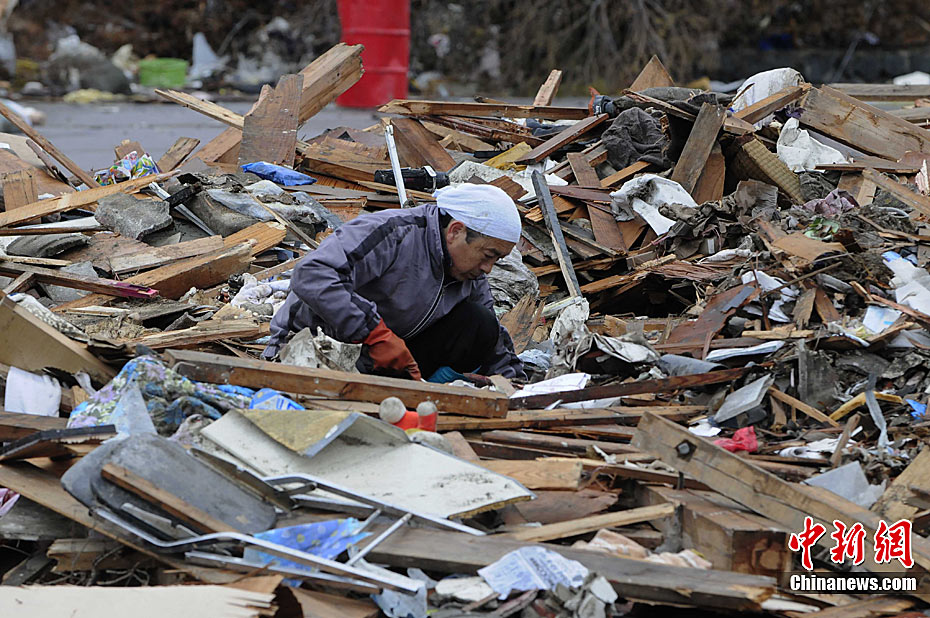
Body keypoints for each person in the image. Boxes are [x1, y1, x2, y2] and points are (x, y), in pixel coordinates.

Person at [263, 184, 526, 381]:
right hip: (318, 346)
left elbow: (493, 339)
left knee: (479, 321)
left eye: (497, 260)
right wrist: (373, 333)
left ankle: (419, 392)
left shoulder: (468, 274)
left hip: (386, 360)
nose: (488, 268)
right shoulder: (394, 232)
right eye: (488, 255)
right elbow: (312, 273)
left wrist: (512, 385)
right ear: (456, 231)